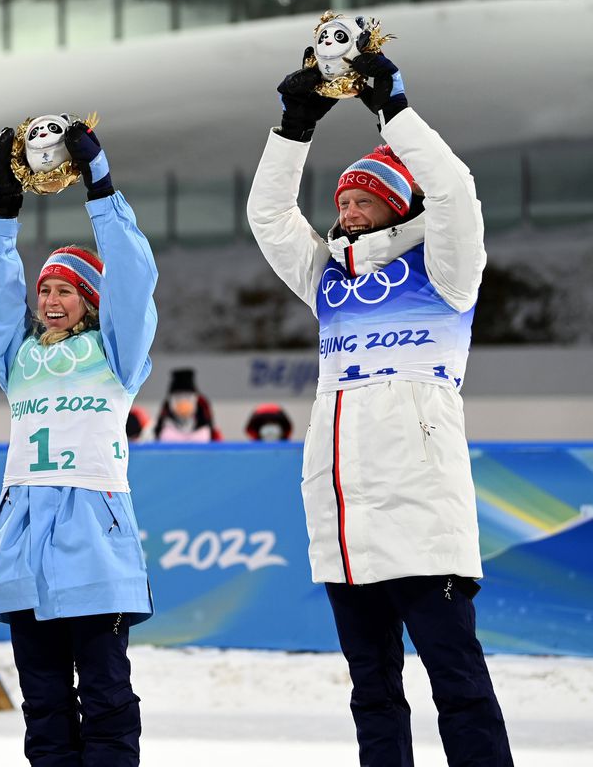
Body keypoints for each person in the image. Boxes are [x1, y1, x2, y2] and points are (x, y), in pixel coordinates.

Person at [246, 44, 513, 765]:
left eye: (364, 200)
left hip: (424, 516)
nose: (350, 213)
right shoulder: (327, 281)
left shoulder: (447, 270)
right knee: (372, 690)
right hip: (343, 519)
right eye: (343, 202)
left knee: (458, 683)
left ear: (395, 204)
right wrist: (293, 126)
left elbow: (454, 192)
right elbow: (270, 216)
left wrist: (391, 107)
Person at [0, 121, 156, 766]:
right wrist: (3, 208)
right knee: (43, 702)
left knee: (106, 696)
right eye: (44, 289)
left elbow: (134, 274)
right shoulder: (16, 357)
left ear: (92, 300)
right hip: (24, 541)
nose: (49, 300)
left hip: (94, 542)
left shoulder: (117, 353)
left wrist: (100, 185)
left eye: (65, 290)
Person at [153, 367, 221, 442]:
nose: (183, 403)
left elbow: (219, 448)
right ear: (170, 401)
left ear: (196, 399)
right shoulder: (163, 425)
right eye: (178, 398)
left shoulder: (205, 424)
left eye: (188, 397)